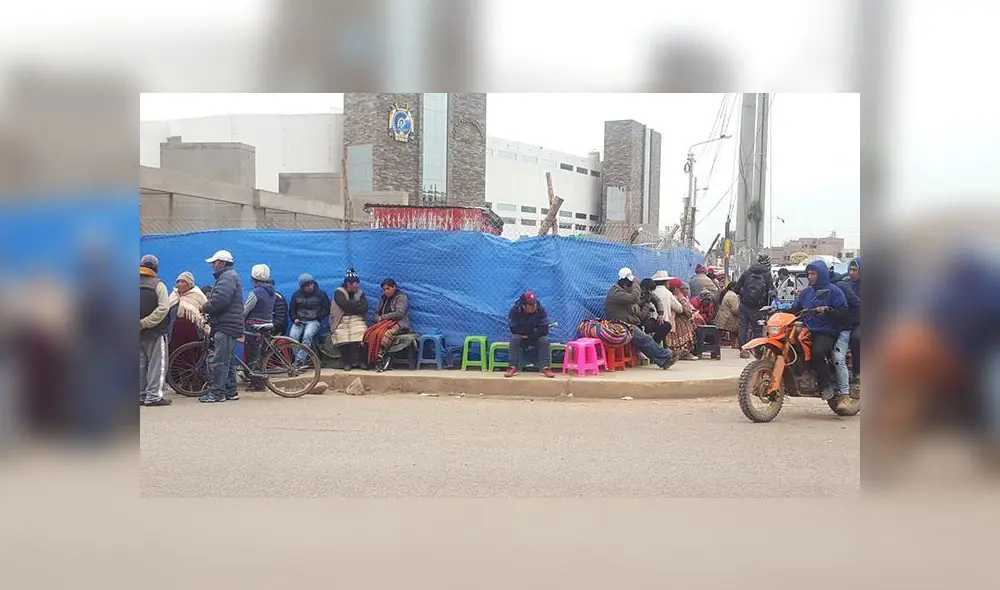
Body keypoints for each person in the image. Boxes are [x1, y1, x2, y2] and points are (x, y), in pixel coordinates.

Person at [788, 260, 850, 407]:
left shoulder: (834, 291)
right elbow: (795, 308)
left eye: (813, 273)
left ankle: (826, 384)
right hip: (808, 330)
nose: (809, 277)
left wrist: (828, 310)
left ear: (821, 274)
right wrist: (777, 310)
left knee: (817, 352)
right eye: (808, 274)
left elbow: (843, 313)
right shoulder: (806, 292)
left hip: (827, 331)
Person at [604, 267, 677, 369]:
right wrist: (636, 285)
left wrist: (660, 313)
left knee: (646, 339)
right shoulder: (617, 293)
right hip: (619, 324)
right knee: (645, 339)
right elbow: (633, 299)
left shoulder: (623, 291)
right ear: (625, 284)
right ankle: (665, 355)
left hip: (628, 322)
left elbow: (655, 301)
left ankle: (663, 361)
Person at [200, 249, 244, 403]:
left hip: (225, 325)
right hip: (229, 324)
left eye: (215, 263)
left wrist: (205, 307)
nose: (213, 266)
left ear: (222, 263)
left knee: (220, 361)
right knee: (229, 360)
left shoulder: (227, 277)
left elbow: (220, 300)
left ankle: (217, 393)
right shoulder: (230, 276)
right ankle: (231, 391)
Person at [139, 255, 172, 407]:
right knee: (157, 364)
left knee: (140, 364)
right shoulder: (158, 285)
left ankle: (141, 395)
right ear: (156, 268)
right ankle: (153, 397)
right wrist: (145, 323)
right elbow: (163, 308)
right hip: (155, 331)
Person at [505, 290, 555, 378]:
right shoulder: (515, 311)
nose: (533, 307)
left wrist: (529, 335)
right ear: (523, 305)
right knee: (514, 339)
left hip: (535, 338)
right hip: (521, 338)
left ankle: (545, 368)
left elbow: (544, 329)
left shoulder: (540, 310)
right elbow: (513, 329)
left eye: (534, 304)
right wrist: (534, 330)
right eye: (530, 305)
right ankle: (512, 367)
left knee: (544, 340)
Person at [733, 254, 776, 358]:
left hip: (744, 305)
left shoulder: (747, 272)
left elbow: (737, 288)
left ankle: (743, 349)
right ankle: (758, 350)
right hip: (758, 307)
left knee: (743, 327)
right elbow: (772, 291)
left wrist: (743, 295)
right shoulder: (767, 274)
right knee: (758, 329)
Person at [242, 264, 276, 390]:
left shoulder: (255, 293)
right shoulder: (272, 292)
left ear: (253, 279)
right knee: (260, 353)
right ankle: (258, 380)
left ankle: (257, 383)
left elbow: (245, 311)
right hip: (267, 324)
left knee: (252, 354)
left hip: (254, 326)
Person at [366, 278, 411, 372]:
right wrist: (378, 318)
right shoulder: (383, 298)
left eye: (388, 288)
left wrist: (383, 317)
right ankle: (372, 358)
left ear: (394, 287)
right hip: (383, 323)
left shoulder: (401, 297)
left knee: (387, 333)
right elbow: (376, 312)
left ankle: (380, 357)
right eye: (384, 289)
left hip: (399, 323)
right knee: (371, 333)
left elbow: (399, 313)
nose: (386, 291)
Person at [830, 264, 861, 400]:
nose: (851, 272)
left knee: (856, 338)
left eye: (855, 270)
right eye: (850, 269)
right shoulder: (845, 283)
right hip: (846, 322)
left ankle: (858, 372)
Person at [288, 272, 331, 363]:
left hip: (313, 321)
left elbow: (327, 309)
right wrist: (295, 318)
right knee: (292, 336)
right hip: (299, 321)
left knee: (307, 335)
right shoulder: (296, 295)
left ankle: (299, 361)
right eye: (307, 285)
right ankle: (298, 359)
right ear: (302, 287)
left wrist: (318, 317)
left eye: (311, 284)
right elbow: (292, 310)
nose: (310, 287)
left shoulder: (321, 294)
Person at [331, 269, 369, 371]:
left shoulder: (360, 293)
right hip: (342, 319)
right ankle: (347, 362)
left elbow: (365, 307)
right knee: (342, 335)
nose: (358, 286)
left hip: (357, 318)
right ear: (349, 284)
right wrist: (357, 304)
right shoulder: (339, 292)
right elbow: (345, 305)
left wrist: (352, 306)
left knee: (362, 333)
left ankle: (362, 361)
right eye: (356, 284)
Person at [167, 271, 210, 357]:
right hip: (174, 334)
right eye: (178, 282)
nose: (179, 284)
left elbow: (206, 313)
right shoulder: (173, 296)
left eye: (183, 282)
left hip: (193, 335)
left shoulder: (198, 295)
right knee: (175, 356)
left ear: (189, 284)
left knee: (193, 357)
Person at [665, 278, 700, 360]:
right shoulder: (679, 298)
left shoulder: (665, 294)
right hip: (676, 321)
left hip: (667, 319)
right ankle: (684, 352)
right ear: (676, 288)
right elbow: (688, 312)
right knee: (688, 325)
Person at [651, 270, 682, 340]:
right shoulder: (668, 293)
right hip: (664, 325)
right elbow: (679, 309)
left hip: (651, 324)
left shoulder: (652, 292)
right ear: (666, 282)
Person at [639, 278, 670, 344]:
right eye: (648, 290)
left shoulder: (649, 294)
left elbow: (658, 301)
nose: (650, 292)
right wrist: (647, 303)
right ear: (643, 288)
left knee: (666, 326)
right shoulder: (636, 296)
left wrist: (660, 314)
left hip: (648, 319)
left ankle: (654, 344)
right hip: (639, 322)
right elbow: (641, 316)